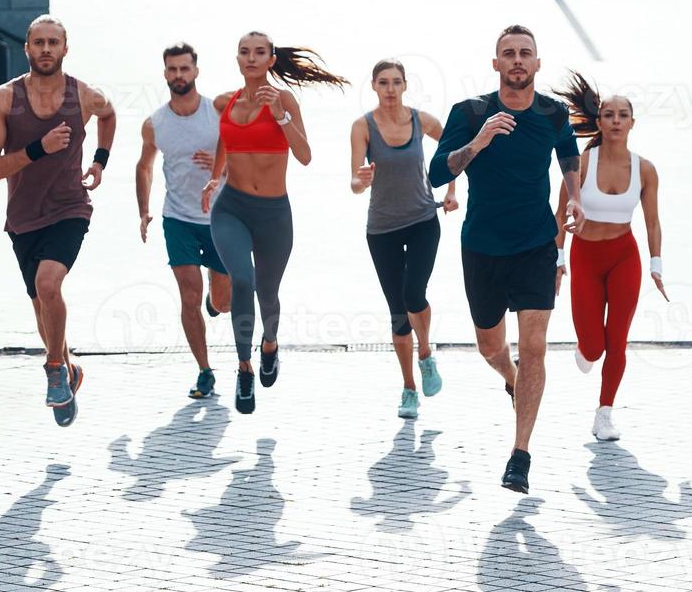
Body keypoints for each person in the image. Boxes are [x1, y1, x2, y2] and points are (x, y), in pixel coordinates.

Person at [428, 25, 583, 493]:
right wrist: (478, 142)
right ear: (496, 64)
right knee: (491, 348)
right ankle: (510, 377)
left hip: (536, 245)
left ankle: (520, 455)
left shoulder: (554, 115)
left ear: (538, 64)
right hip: (483, 248)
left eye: (525, 54)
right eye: (508, 54)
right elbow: (436, 173)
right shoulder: (470, 112)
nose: (517, 60)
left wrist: (574, 199)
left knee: (535, 346)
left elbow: (569, 159)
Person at [0, 14, 115, 427]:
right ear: (27, 48)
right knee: (42, 305)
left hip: (70, 207)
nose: (45, 49)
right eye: (38, 42)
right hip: (23, 216)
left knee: (48, 284)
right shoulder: (2, 99)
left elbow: (109, 115)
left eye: (53, 42)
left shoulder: (83, 95)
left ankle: (54, 368)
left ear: (65, 49)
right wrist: (38, 149)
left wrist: (100, 161)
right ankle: (70, 368)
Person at [201, 31, 347, 414]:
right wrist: (216, 176)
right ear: (237, 59)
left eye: (259, 52)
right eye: (244, 52)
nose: (251, 58)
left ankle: (269, 345)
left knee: (267, 293)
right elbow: (225, 141)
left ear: (270, 59)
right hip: (230, 208)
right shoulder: (227, 101)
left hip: (272, 214)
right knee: (242, 280)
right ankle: (244, 368)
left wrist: (281, 117)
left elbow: (305, 155)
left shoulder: (283, 100)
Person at [553, 72, 666, 442]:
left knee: (617, 340)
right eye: (609, 115)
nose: (616, 121)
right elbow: (558, 215)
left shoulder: (645, 169)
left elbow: (652, 223)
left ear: (632, 122)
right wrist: (558, 260)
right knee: (593, 346)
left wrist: (655, 264)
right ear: (599, 121)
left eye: (623, 115)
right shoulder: (581, 164)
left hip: (624, 256)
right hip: (586, 255)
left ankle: (604, 413)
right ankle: (585, 350)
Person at [349, 58, 458, 420]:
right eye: (383, 82)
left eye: (396, 82)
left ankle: (425, 352)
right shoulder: (362, 127)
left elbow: (455, 150)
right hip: (382, 230)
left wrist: (451, 190)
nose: (390, 89)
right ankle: (409, 387)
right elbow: (353, 182)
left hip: (423, 219)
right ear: (374, 86)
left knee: (415, 295)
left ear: (405, 85)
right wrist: (361, 180)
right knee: (398, 315)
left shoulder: (420, 120)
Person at [136, 42, 232, 400]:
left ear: (196, 71)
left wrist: (221, 164)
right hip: (177, 217)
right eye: (172, 70)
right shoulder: (156, 123)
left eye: (185, 69)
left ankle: (216, 301)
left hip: (221, 217)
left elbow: (248, 157)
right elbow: (144, 166)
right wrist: (143, 210)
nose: (179, 75)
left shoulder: (218, 114)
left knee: (223, 301)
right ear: (165, 74)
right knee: (187, 294)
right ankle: (205, 370)